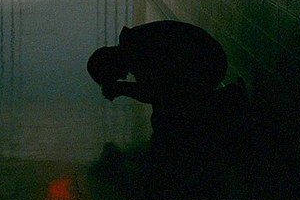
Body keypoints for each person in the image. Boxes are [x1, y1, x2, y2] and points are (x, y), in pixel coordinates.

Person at [87, 20, 244, 159]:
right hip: (208, 58)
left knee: (170, 122)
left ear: (111, 66)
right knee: (167, 119)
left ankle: (228, 100)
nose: (121, 78)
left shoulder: (139, 51)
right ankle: (224, 100)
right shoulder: (134, 44)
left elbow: (154, 93)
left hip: (208, 65)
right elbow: (158, 89)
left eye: (113, 77)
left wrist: (122, 89)